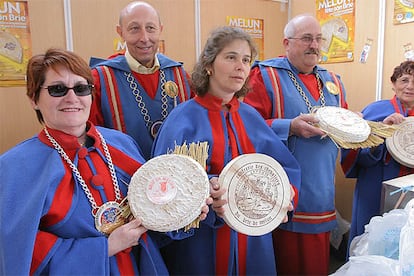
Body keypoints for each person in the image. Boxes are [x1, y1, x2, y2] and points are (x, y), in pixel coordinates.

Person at [0, 48, 210, 275]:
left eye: (81, 88)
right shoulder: (15, 166)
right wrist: (104, 248)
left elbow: (152, 216)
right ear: (34, 99)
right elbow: (16, 252)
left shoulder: (122, 144)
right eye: (57, 89)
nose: (72, 98)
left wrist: (183, 213)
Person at [152, 26, 301, 275]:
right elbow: (161, 185)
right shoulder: (181, 120)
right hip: (201, 241)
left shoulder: (251, 117)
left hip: (252, 239)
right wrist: (204, 187)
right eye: (231, 57)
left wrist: (283, 198)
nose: (240, 66)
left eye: (246, 60)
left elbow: (285, 168)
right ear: (209, 64)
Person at [244, 14, 348, 275]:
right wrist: (288, 127)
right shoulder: (263, 75)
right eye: (306, 39)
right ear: (287, 43)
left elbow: (343, 122)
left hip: (322, 189)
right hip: (282, 193)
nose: (314, 45)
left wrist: (358, 124)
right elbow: (244, 127)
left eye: (318, 39)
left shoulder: (333, 81)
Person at [89, 1, 192, 160]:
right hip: (122, 177)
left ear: (160, 30)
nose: (144, 38)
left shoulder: (179, 75)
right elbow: (89, 140)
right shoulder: (101, 79)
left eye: (151, 28)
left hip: (175, 177)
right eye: (134, 29)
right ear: (121, 32)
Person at [341, 60, 414, 254]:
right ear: (393, 83)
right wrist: (381, 131)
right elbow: (355, 153)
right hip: (375, 186)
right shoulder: (375, 111)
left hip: (411, 189)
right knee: (369, 240)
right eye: (404, 80)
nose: (410, 86)